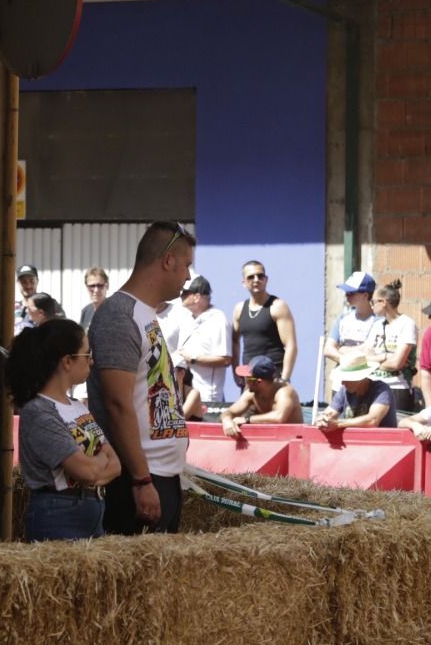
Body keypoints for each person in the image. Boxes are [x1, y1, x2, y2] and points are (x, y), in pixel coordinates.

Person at [87, 221, 195, 535]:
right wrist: (141, 479)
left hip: (157, 475)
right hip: (137, 479)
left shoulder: (146, 313)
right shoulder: (119, 315)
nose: (188, 276)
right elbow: (117, 403)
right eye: (186, 265)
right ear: (167, 261)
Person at [8, 318, 121, 541]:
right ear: (67, 361)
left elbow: (116, 465)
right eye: (86, 355)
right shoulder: (38, 411)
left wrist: (92, 470)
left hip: (86, 507)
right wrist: (98, 464)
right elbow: (86, 470)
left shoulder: (77, 406)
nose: (91, 361)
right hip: (58, 512)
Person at [174, 275, 234, 420]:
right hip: (185, 395)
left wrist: (193, 359)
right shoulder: (188, 319)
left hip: (207, 399)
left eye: (185, 293)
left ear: (196, 296)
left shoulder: (217, 319)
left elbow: (225, 359)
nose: (181, 296)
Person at [231, 260, 297, 385]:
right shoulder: (239, 309)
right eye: (251, 277)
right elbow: (234, 341)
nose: (256, 280)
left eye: (260, 276)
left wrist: (285, 378)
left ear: (266, 279)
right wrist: (235, 372)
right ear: (244, 283)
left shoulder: (277, 306)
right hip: (249, 377)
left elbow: (290, 345)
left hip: (273, 376)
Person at [364, 279, 417, 412]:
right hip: (373, 386)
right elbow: (366, 355)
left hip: (397, 388)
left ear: (384, 302)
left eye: (373, 302)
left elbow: (397, 364)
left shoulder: (406, 324)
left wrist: (374, 359)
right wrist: (386, 356)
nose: (371, 306)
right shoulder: (377, 325)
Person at [218, 355, 302, 437]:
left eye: (247, 378)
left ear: (259, 382)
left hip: (293, 442)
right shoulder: (251, 393)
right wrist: (227, 420)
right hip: (271, 441)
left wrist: (247, 420)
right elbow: (229, 412)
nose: (244, 381)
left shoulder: (284, 392)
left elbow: (279, 417)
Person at [315, 356, 396, 430]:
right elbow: (328, 414)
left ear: (361, 377)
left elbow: (372, 421)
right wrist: (322, 420)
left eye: (347, 378)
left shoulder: (381, 390)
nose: (343, 382)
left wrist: (338, 424)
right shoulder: (343, 391)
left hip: (380, 444)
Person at [325, 271, 377, 365]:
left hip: (368, 377)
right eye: (346, 292)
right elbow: (328, 349)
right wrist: (345, 359)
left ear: (365, 295)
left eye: (351, 293)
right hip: (342, 375)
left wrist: (342, 349)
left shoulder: (379, 321)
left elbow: (370, 349)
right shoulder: (342, 319)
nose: (346, 296)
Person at [13, 264, 40, 336]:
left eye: (31, 281)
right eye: (23, 282)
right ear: (17, 283)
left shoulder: (48, 305)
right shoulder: (12, 307)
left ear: (37, 282)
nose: (28, 286)